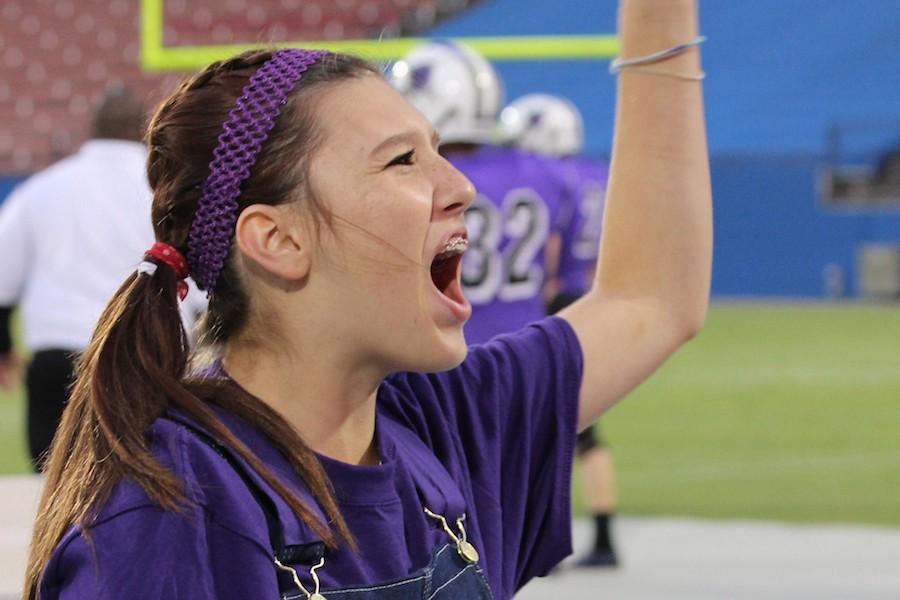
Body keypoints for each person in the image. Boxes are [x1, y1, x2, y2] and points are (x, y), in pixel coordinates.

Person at [25, 2, 711, 598]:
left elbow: (650, 299)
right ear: (279, 239)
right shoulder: (171, 515)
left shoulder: (437, 425)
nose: (461, 186)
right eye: (402, 161)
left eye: (439, 150)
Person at [0, 86, 205, 472]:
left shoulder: (43, 188)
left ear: (92, 128)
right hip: (146, 356)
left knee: (52, 494)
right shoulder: (167, 190)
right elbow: (201, 290)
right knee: (145, 487)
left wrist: (3, 345)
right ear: (144, 129)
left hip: (57, 359)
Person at [388, 41, 573, 345]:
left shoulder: (419, 180)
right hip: (530, 349)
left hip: (447, 350)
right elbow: (556, 262)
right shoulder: (546, 173)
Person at [501, 92, 619, 567]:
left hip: (554, 301)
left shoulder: (548, 178)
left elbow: (547, 248)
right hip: (594, 294)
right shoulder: (598, 174)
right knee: (583, 427)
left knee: (535, 429)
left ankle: (537, 542)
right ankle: (604, 535)